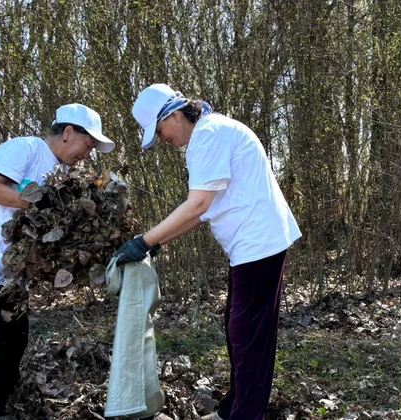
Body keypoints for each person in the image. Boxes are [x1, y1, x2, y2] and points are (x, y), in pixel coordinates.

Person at [113, 84, 302, 420]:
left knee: (248, 338)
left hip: (257, 246)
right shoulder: (213, 132)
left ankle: (245, 415)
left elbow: (197, 203)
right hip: (254, 246)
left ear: (173, 115)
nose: (162, 140)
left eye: (159, 131)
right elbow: (202, 210)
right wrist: (158, 242)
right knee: (239, 331)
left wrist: (146, 240)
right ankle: (234, 409)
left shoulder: (208, 135)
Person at [0, 104, 115, 420]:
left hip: (13, 266)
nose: (87, 155)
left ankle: (0, 407)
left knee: (14, 339)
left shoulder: (65, 173)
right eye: (88, 146)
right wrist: (40, 201)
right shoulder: (25, 149)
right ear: (69, 133)